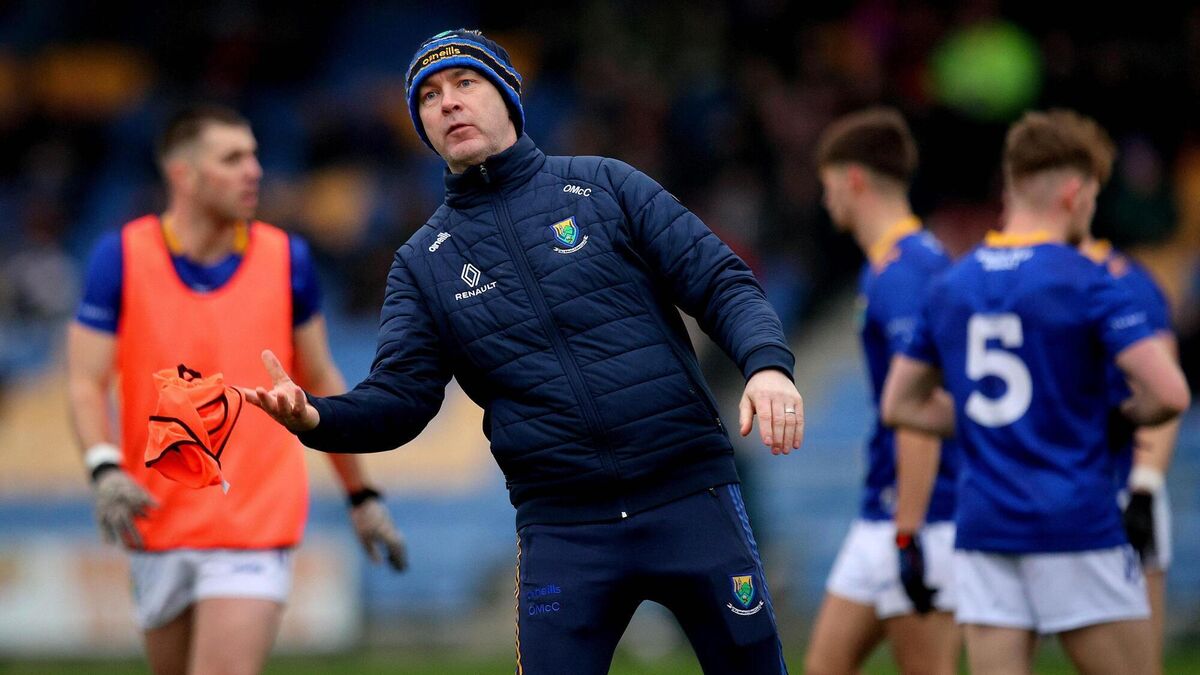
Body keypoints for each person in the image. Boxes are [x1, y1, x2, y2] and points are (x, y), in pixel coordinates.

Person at [243, 28, 803, 674]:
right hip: (564, 530)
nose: (449, 102)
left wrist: (766, 364)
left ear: (508, 95)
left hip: (691, 496)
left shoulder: (606, 185)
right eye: (429, 96)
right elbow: (400, 398)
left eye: (465, 82)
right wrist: (316, 416)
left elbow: (720, 280)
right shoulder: (423, 263)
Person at [66, 104, 407, 675]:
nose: (254, 170)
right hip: (158, 518)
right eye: (232, 158)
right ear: (183, 174)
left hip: (252, 521)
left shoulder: (287, 259)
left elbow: (321, 380)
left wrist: (361, 495)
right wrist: (104, 468)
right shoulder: (120, 257)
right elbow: (84, 379)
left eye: (253, 155)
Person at [880, 109, 1190, 675]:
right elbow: (1169, 394)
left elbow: (899, 404)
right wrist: (1113, 417)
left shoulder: (952, 283)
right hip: (1075, 523)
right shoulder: (1087, 277)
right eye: (1093, 196)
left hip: (986, 525)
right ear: (1074, 192)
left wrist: (983, 422)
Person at [805, 108, 960, 675]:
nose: (826, 200)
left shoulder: (906, 272)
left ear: (853, 179)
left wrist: (908, 535)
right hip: (883, 512)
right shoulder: (891, 266)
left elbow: (919, 408)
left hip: (920, 518)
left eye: (827, 184)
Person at [1079, 181, 1180, 674]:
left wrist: (1144, 485)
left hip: (1120, 487)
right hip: (1060, 490)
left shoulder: (1129, 281)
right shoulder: (1036, 276)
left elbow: (1165, 388)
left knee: (1138, 660)